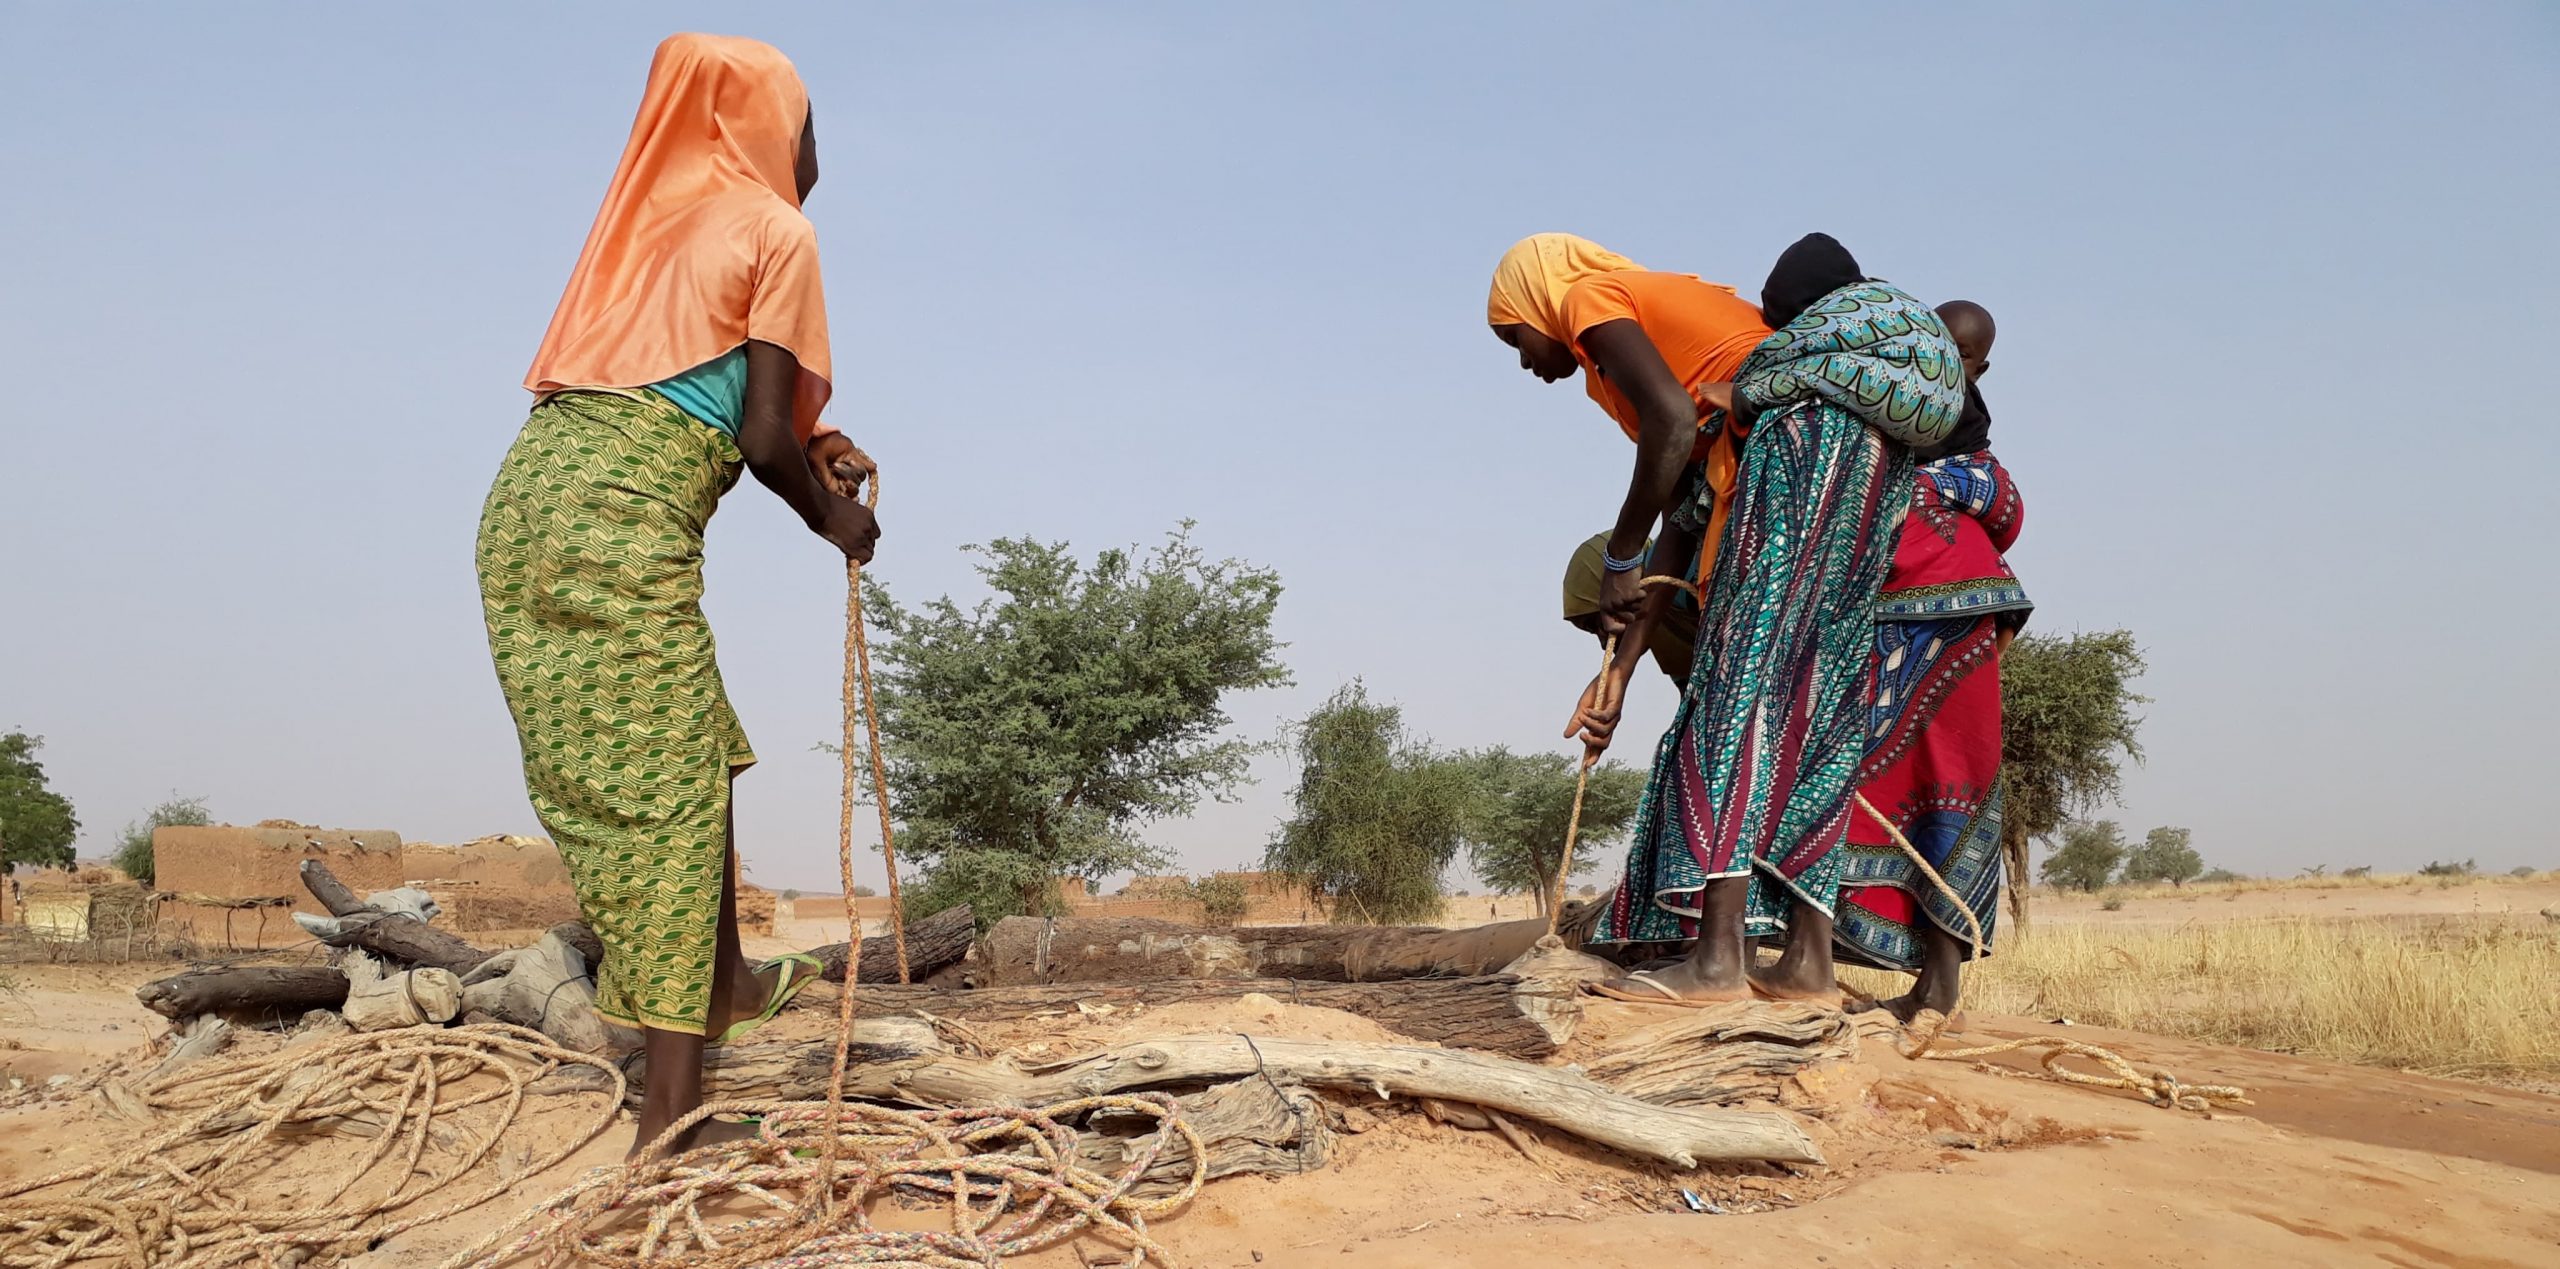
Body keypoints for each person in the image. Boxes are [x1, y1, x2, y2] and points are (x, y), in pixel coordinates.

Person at [477, 33, 879, 1157]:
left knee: (694, 740)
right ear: (766, 125)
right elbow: (755, 435)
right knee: (663, 791)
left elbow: (684, 380)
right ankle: (670, 1123)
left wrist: (822, 440)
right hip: (615, 521)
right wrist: (832, 517)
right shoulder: (778, 230)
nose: (812, 146)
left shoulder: (650, 227)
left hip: (529, 505)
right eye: (804, 121)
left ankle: (732, 981)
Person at [1521, 233, 1964, 1005]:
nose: (1524, 357)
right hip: (1869, 481)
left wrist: (1621, 559)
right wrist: (1616, 679)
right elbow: (1685, 521)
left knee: (1737, 695)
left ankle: (1717, 961)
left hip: (1793, 467)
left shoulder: (1588, 297)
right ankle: (1808, 964)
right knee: (1822, 708)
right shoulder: (1753, 375)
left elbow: (1666, 439)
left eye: (1509, 332)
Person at [1829, 300, 2028, 1018]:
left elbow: (2002, 502)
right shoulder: (1963, 431)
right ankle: (1932, 985)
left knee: (1874, 777)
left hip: (1918, 601)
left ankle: (1899, 979)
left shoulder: (1889, 400)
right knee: (1941, 786)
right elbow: (2005, 508)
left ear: (1977, 364)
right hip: (1967, 601)